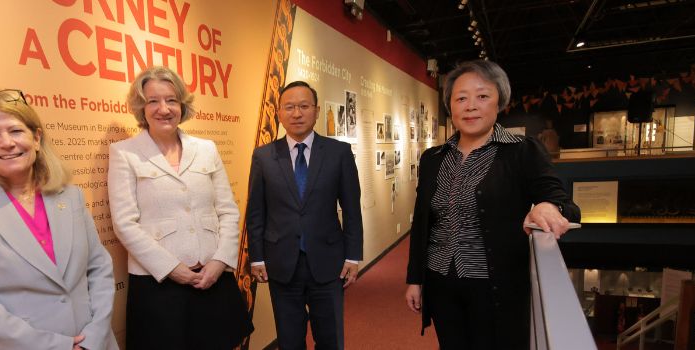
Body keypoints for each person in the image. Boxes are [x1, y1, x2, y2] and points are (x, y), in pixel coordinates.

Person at [403, 60, 581, 350]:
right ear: (450, 105)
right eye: (461, 98)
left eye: (482, 96)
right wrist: (415, 279)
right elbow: (423, 222)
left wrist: (548, 206)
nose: (470, 106)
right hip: (441, 282)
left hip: (494, 287)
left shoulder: (521, 151)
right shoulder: (433, 158)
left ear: (500, 101)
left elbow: (561, 200)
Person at [0, 89, 118, 350]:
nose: (7, 142)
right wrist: (58, 346)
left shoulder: (70, 195)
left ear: (36, 138)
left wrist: (96, 335)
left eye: (16, 130)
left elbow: (99, 267)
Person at [108, 67, 252, 349]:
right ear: (141, 107)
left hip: (212, 279)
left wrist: (220, 261)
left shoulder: (206, 148)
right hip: (159, 286)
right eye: (153, 101)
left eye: (172, 100)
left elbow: (227, 210)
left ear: (182, 105)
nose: (164, 109)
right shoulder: (125, 153)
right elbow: (125, 224)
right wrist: (173, 269)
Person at [247, 81, 364, 350]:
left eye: (303, 106)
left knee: (331, 338)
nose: (296, 113)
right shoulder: (263, 157)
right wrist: (257, 257)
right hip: (281, 264)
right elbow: (256, 212)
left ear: (317, 110)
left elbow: (352, 208)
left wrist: (352, 256)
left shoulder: (339, 153)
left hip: (329, 263)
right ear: (279, 113)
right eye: (289, 107)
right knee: (289, 340)